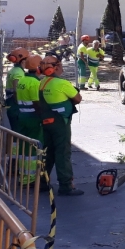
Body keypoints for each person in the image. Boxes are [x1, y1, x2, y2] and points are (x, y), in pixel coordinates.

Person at [39, 55, 84, 196]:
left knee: (48, 152)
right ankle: (66, 185)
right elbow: (77, 99)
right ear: (56, 67)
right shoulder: (62, 84)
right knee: (62, 153)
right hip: (60, 123)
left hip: (46, 122)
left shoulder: (43, 83)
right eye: (60, 65)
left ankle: (42, 182)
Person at [15, 55, 44, 186]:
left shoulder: (22, 80)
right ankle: (31, 179)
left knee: (24, 147)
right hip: (33, 118)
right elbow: (37, 103)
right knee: (33, 149)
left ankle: (23, 175)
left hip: (22, 116)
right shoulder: (35, 83)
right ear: (38, 69)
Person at [3, 47, 31, 129]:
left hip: (11, 102)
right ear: (23, 61)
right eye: (27, 59)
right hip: (14, 104)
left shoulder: (15, 70)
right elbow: (16, 91)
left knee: (15, 128)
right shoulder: (18, 72)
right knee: (17, 129)